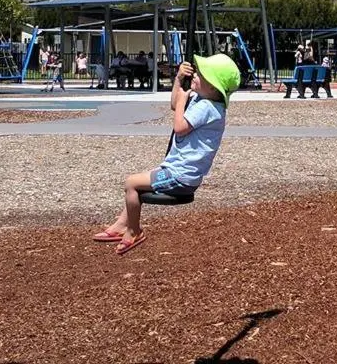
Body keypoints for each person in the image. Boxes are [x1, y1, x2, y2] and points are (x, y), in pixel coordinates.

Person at [94, 53, 241, 255]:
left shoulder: (208, 108)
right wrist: (179, 80)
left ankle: (134, 230)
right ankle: (121, 224)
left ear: (213, 86)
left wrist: (182, 101)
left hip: (180, 176)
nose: (195, 75)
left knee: (131, 184)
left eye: (201, 75)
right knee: (140, 185)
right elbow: (175, 105)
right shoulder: (203, 99)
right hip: (178, 170)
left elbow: (180, 126)